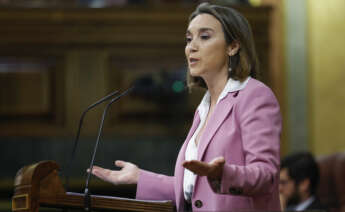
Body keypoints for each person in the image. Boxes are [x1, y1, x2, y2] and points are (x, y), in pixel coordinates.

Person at [89, 2, 282, 211]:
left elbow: (266, 174)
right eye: (189, 39)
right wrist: (139, 178)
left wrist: (223, 175)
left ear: (232, 46)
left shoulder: (254, 96)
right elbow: (194, 190)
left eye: (205, 36)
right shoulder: (204, 107)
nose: (192, 46)